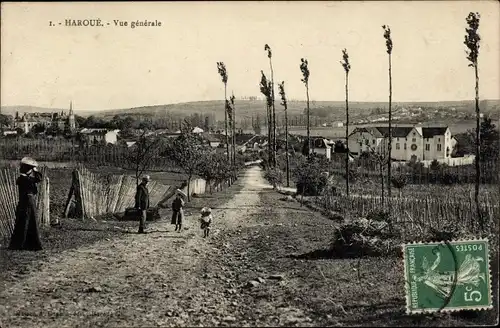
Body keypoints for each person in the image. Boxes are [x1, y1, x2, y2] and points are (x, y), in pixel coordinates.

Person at [9, 157, 43, 251]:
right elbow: (37, 179)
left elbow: (39, 178)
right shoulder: (23, 179)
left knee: (30, 222)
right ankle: (21, 244)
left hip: (28, 201)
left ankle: (27, 244)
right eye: (29, 169)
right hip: (26, 201)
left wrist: (35, 170)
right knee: (24, 222)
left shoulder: (26, 178)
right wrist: (34, 170)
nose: (30, 171)